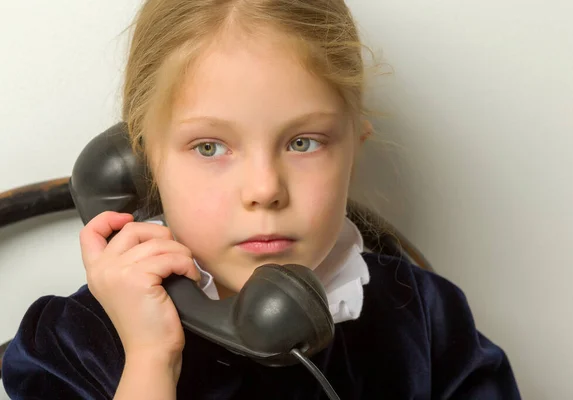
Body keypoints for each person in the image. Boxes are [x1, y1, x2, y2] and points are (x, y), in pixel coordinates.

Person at [2, 0, 521, 399]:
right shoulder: (71, 342)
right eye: (209, 147)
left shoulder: (430, 320)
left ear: (353, 148)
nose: (265, 190)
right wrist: (150, 360)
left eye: (303, 142)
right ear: (142, 164)